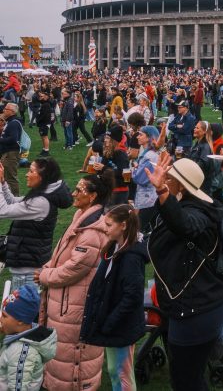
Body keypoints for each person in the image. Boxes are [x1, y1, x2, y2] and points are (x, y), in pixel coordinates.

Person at [145, 154, 223, 391]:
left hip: (197, 310)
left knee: (186, 381)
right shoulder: (185, 204)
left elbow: (185, 225)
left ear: (180, 185)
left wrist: (162, 192)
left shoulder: (200, 213)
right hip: (194, 305)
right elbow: (165, 222)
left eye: (169, 179)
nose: (164, 181)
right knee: (188, 376)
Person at [37, 171, 113, 391]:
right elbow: (63, 255)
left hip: (75, 309)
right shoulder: (81, 219)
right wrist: (48, 266)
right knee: (59, 357)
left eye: (79, 190)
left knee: (73, 364)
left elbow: (74, 269)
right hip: (67, 305)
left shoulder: (92, 231)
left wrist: (44, 276)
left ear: (92, 196)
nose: (73, 193)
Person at [80, 204, 147, 391]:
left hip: (120, 325)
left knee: (121, 372)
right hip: (112, 322)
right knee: (114, 369)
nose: (104, 228)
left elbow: (132, 297)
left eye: (109, 225)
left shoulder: (131, 258)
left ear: (123, 226)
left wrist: (110, 322)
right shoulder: (115, 247)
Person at [0, 158, 72, 290]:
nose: (27, 174)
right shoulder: (42, 195)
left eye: (31, 171)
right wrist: (3, 182)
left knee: (21, 310)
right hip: (28, 269)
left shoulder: (40, 202)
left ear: (42, 177)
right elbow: (11, 202)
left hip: (27, 274)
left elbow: (3, 210)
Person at [0, 283, 57, 390]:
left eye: (4, 316)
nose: (0, 319)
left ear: (20, 321)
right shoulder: (20, 335)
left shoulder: (20, 352)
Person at [132, 125, 160, 233]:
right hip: (149, 197)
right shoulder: (148, 153)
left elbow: (140, 179)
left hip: (148, 199)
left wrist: (134, 171)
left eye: (140, 135)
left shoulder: (149, 156)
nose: (137, 137)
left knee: (138, 230)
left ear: (149, 138)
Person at [0, 103, 23, 196]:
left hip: (11, 154)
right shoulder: (10, 122)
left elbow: (13, 139)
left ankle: (15, 199)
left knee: (10, 178)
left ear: (12, 112)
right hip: (7, 153)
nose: (4, 110)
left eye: (6, 109)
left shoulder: (14, 123)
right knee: (6, 177)